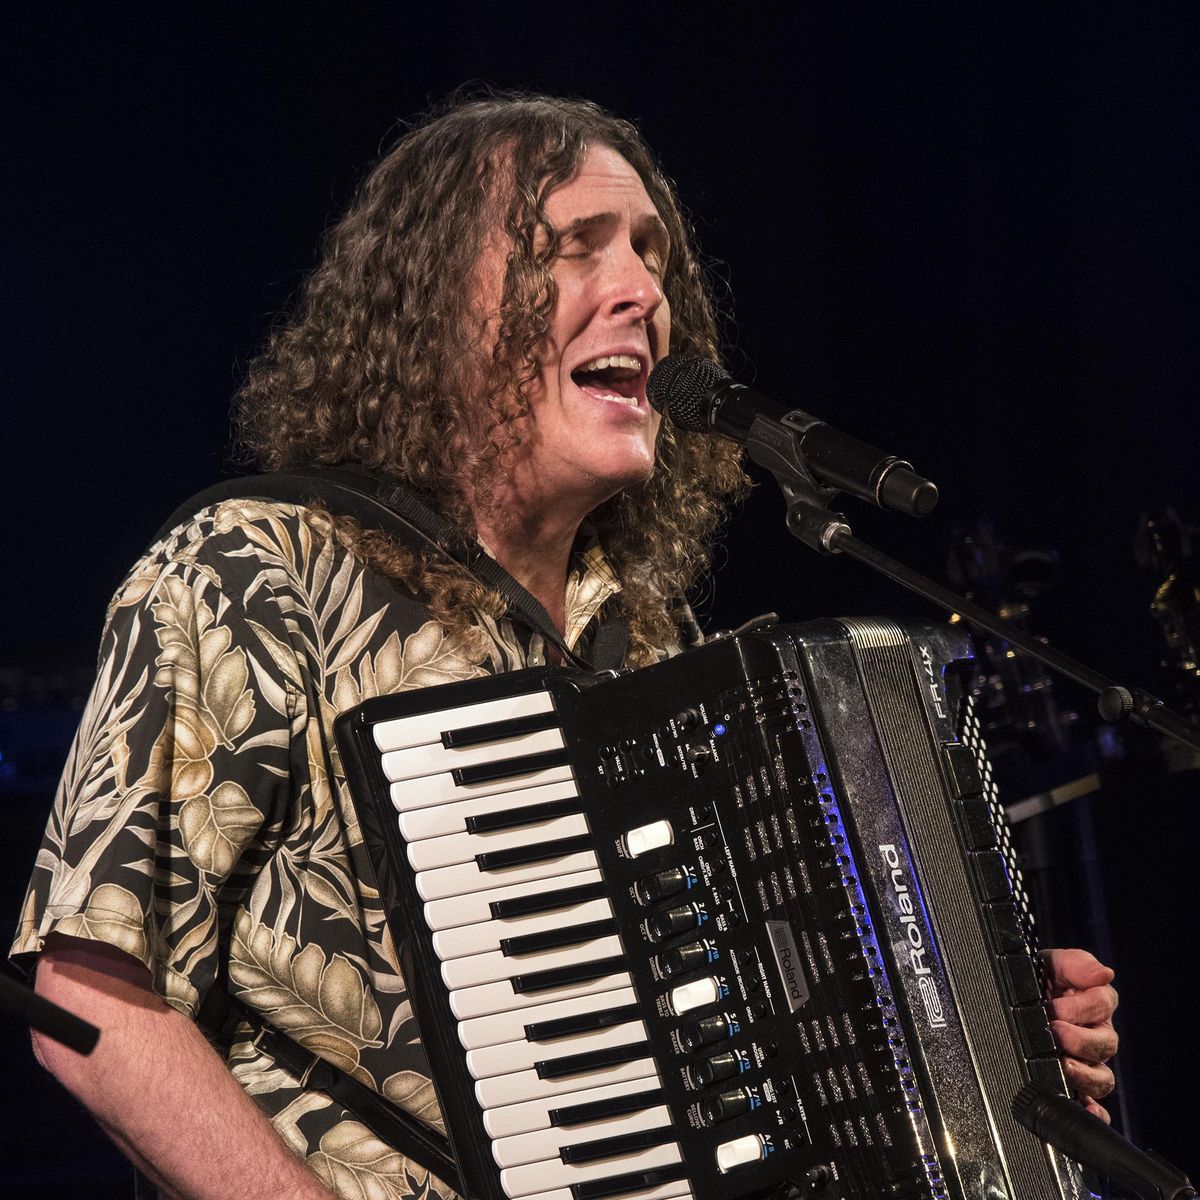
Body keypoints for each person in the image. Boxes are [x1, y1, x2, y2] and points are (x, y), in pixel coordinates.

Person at [12, 91, 1117, 1200]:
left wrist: (977, 1040)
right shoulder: (257, 573)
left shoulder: (649, 650)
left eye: (650, 253)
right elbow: (91, 1004)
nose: (643, 290)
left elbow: (752, 1066)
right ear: (433, 307)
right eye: (575, 246)